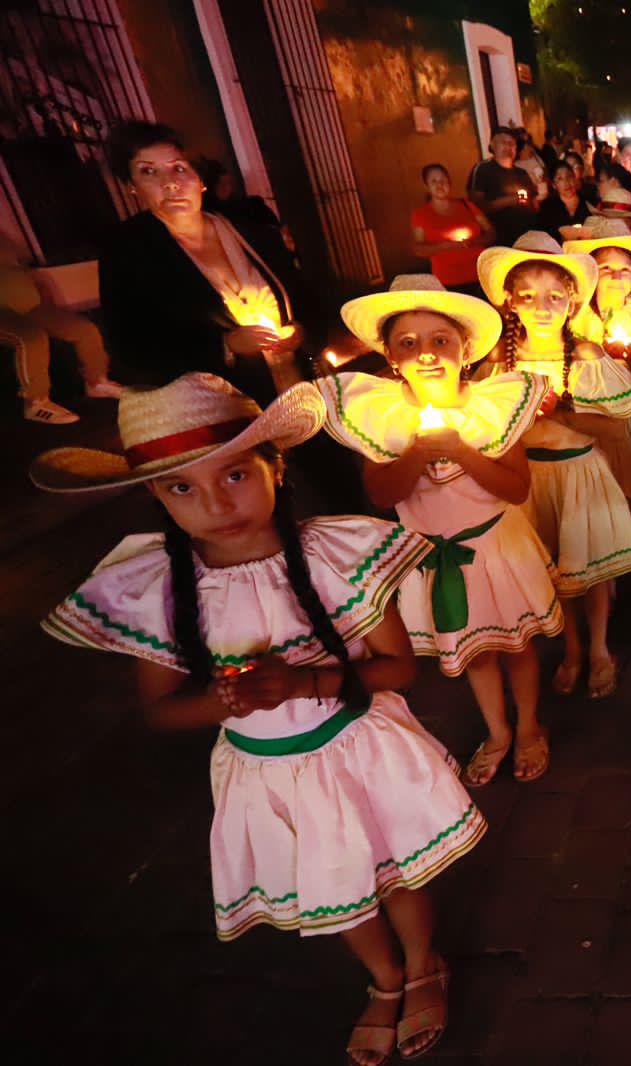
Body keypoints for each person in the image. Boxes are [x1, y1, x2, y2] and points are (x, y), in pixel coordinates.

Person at [34, 374, 477, 1062]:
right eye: (182, 488)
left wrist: (306, 680)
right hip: (267, 775)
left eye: (235, 473)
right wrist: (227, 702)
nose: (215, 502)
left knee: (394, 873)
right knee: (334, 884)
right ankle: (383, 980)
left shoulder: (336, 558)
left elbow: (396, 668)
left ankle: (422, 965)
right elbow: (161, 712)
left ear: (276, 464)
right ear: (155, 496)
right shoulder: (159, 588)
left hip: (354, 749)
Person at [320, 274, 562, 787]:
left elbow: (516, 489)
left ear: (465, 351)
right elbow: (384, 495)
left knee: (516, 645)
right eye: (408, 343)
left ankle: (529, 725)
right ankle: (497, 731)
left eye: (439, 341)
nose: (426, 354)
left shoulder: (494, 408)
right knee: (475, 650)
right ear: (390, 357)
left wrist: (462, 451)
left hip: (496, 548)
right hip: (437, 556)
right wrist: (415, 453)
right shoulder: (382, 417)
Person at [478, 233, 631, 699]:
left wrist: (558, 414)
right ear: (510, 304)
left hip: (579, 474)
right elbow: (485, 426)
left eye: (554, 296)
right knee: (553, 570)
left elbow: (618, 426)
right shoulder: (498, 363)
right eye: (528, 297)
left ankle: (598, 649)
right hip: (530, 479)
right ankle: (570, 648)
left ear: (572, 302)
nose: (542, 307)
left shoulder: (588, 356)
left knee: (587, 570)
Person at [99, 121, 315, 405]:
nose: (171, 183)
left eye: (178, 167)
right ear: (133, 188)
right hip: (223, 411)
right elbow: (129, 348)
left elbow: (304, 296)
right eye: (148, 171)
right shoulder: (129, 251)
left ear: (200, 180)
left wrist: (301, 331)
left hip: (302, 394)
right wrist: (224, 345)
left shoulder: (254, 233)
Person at [564, 220, 631, 497]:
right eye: (605, 269)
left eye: (624, 270)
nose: (615, 276)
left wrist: (630, 356)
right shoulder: (574, 313)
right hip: (586, 410)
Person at [2, 233, 120, 424]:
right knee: (32, 338)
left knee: (85, 329)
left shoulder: (4, 240)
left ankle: (97, 382)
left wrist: (42, 290)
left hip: (32, 306)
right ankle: (36, 403)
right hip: (3, 312)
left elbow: (21, 267)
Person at [410, 164, 493, 293]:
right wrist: (446, 246)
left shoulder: (467, 205)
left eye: (443, 180)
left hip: (480, 276)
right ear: (427, 186)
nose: (439, 184)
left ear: (449, 182)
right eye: (434, 181)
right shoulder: (421, 214)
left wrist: (475, 242)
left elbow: (491, 232)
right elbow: (419, 249)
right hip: (449, 282)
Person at [468, 126, 541, 245]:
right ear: (493, 144)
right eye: (503, 142)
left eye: (512, 143)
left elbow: (534, 204)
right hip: (500, 239)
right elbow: (476, 208)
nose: (508, 147)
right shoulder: (483, 170)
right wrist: (508, 201)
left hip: (527, 237)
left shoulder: (522, 173)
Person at [535, 161, 592, 237]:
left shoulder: (588, 202)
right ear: (554, 185)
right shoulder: (547, 207)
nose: (567, 182)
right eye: (560, 179)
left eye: (569, 176)